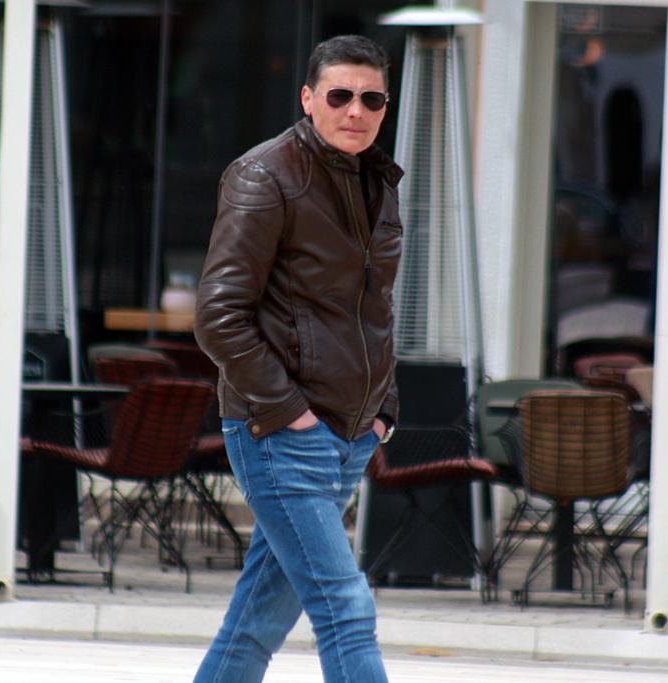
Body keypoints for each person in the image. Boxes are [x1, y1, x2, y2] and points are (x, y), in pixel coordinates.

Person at [192, 34, 403, 683]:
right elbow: (219, 315)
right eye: (340, 96)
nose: (355, 110)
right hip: (281, 431)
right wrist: (289, 412)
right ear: (309, 98)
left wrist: (382, 409)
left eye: (371, 99)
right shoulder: (265, 175)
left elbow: (373, 308)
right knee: (346, 608)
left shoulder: (377, 180)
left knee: (257, 620)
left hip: (349, 432)